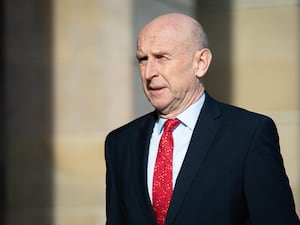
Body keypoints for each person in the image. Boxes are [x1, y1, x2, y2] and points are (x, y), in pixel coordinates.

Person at [105, 13, 300, 225]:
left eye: (162, 57)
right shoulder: (120, 143)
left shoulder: (248, 134)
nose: (149, 72)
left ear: (200, 62)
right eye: (143, 59)